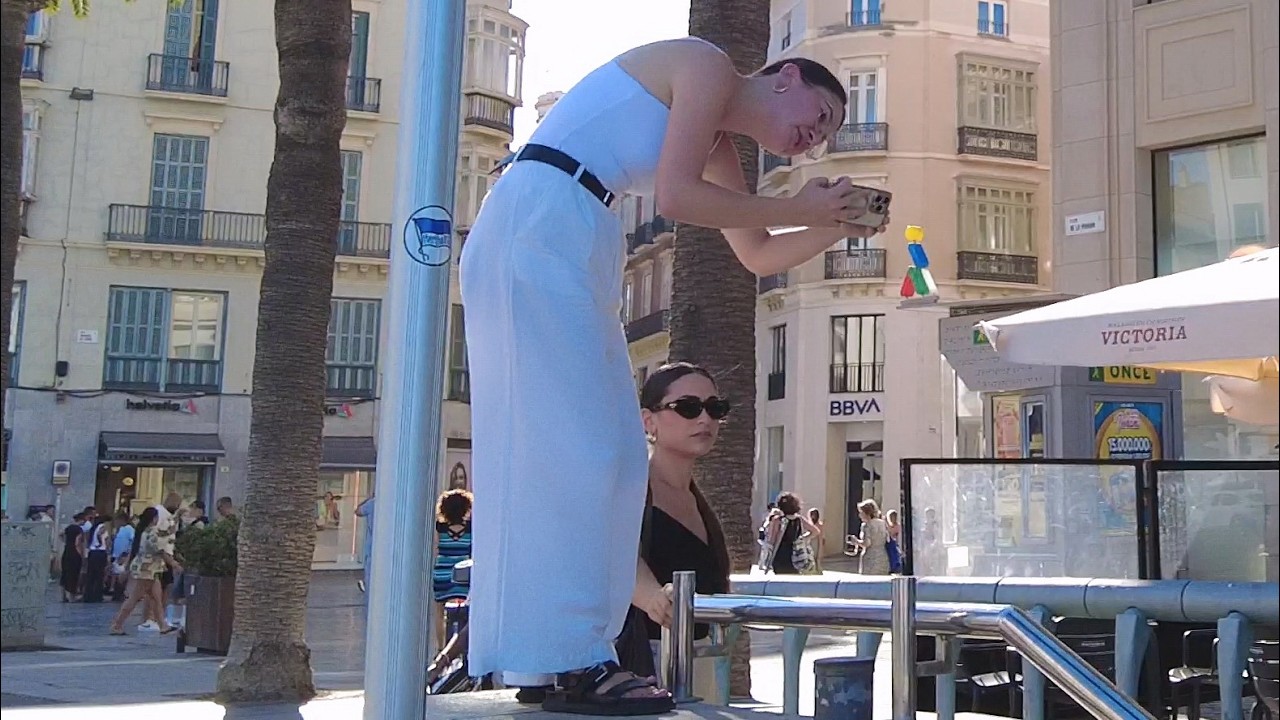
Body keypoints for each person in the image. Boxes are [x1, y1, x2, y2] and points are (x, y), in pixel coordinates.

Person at [461, 36, 886, 715]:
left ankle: (549, 657)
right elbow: (678, 197)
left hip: (567, 229)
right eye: (824, 114)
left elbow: (753, 253)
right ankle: (573, 659)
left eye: (827, 133)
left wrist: (830, 225)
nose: (817, 138)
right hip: (543, 221)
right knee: (586, 452)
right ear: (788, 77)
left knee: (597, 453)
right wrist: (800, 206)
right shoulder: (708, 63)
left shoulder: (717, 131)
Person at [625, 363, 732, 702]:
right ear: (648, 421)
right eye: (687, 407)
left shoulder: (695, 498)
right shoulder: (631, 488)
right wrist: (653, 597)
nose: (704, 419)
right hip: (643, 670)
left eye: (715, 408)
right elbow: (616, 555)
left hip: (698, 667)